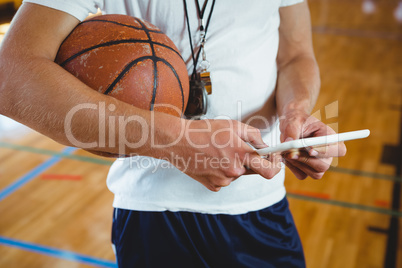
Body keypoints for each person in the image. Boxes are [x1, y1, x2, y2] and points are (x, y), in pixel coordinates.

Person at [0, 0, 346, 267]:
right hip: (154, 212)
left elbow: (296, 56)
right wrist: (178, 142)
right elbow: (11, 76)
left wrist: (295, 113)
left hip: (262, 205)